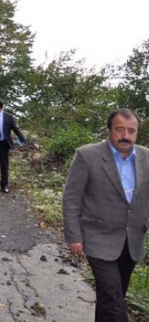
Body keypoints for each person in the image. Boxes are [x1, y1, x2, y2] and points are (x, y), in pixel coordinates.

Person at [62, 108, 149, 322]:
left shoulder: (146, 157)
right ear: (109, 130)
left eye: (131, 131)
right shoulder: (87, 156)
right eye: (119, 129)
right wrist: (74, 236)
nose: (125, 136)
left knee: (113, 297)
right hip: (98, 238)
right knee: (111, 295)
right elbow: (71, 198)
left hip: (132, 240)